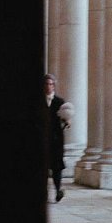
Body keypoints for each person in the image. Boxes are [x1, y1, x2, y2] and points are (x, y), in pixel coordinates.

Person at [44, 73, 71, 202]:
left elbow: (66, 120)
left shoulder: (60, 102)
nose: (48, 86)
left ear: (54, 86)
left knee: (57, 167)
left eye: (51, 84)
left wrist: (67, 122)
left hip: (56, 140)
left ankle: (58, 190)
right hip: (42, 140)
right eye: (46, 84)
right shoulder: (38, 102)